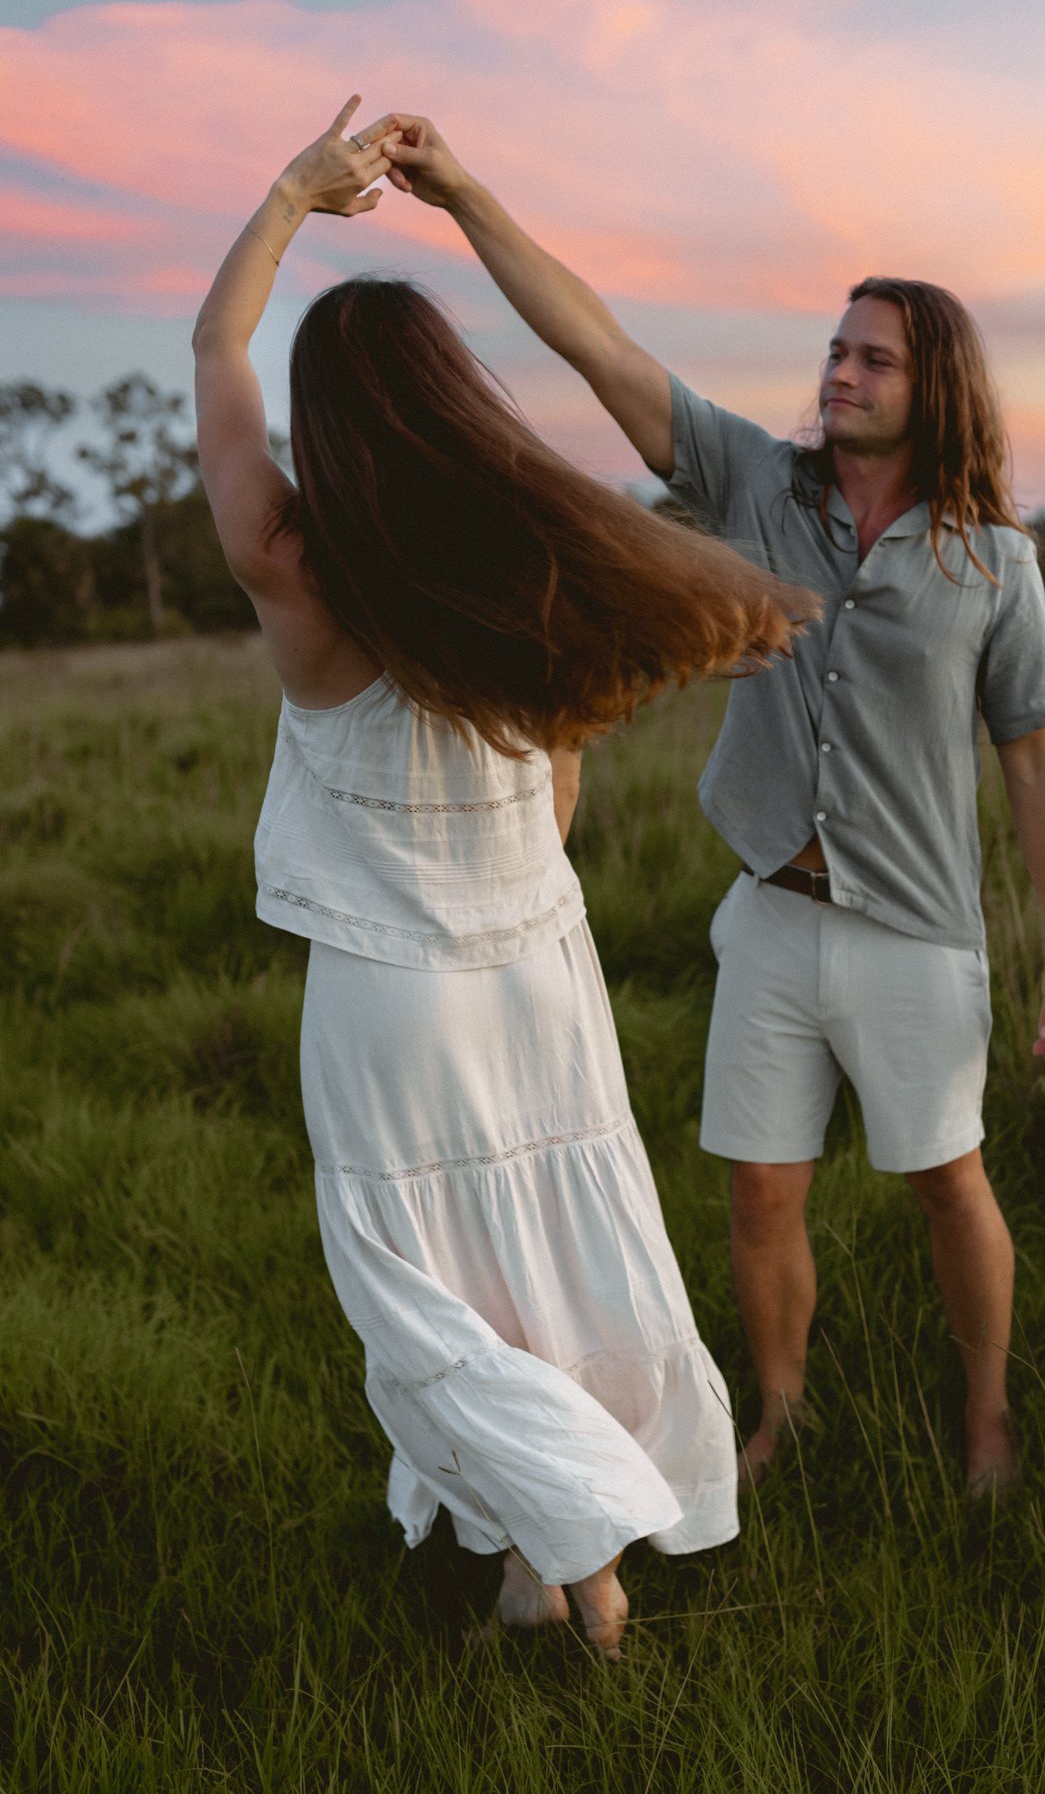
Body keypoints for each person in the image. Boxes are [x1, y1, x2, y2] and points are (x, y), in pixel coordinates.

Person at [371, 111, 1045, 1499]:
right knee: (759, 1190)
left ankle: (987, 1415)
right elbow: (600, 347)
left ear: (930, 383)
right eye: (834, 349)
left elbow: (1034, 753)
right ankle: (775, 1418)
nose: (841, 371)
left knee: (948, 1181)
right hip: (770, 907)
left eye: (873, 357)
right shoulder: (754, 484)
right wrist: (461, 188)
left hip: (919, 930)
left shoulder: (993, 560)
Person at [191, 99, 812, 1655]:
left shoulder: (293, 566)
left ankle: (575, 1564)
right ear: (459, 407)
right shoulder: (532, 588)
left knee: (425, 1292)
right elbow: (565, 804)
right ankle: (550, 1559)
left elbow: (215, 361)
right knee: (564, 1257)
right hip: (538, 973)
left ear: (328, 427)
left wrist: (286, 198)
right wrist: (455, 188)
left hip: (392, 995)